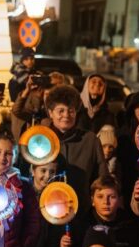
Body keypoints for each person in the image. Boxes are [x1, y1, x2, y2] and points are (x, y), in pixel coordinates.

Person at [45, 85, 106, 215]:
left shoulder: (90, 140)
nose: (66, 115)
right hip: (47, 209)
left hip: (82, 211)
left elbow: (101, 177)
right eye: (60, 111)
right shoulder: (40, 139)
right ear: (50, 113)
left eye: (71, 110)